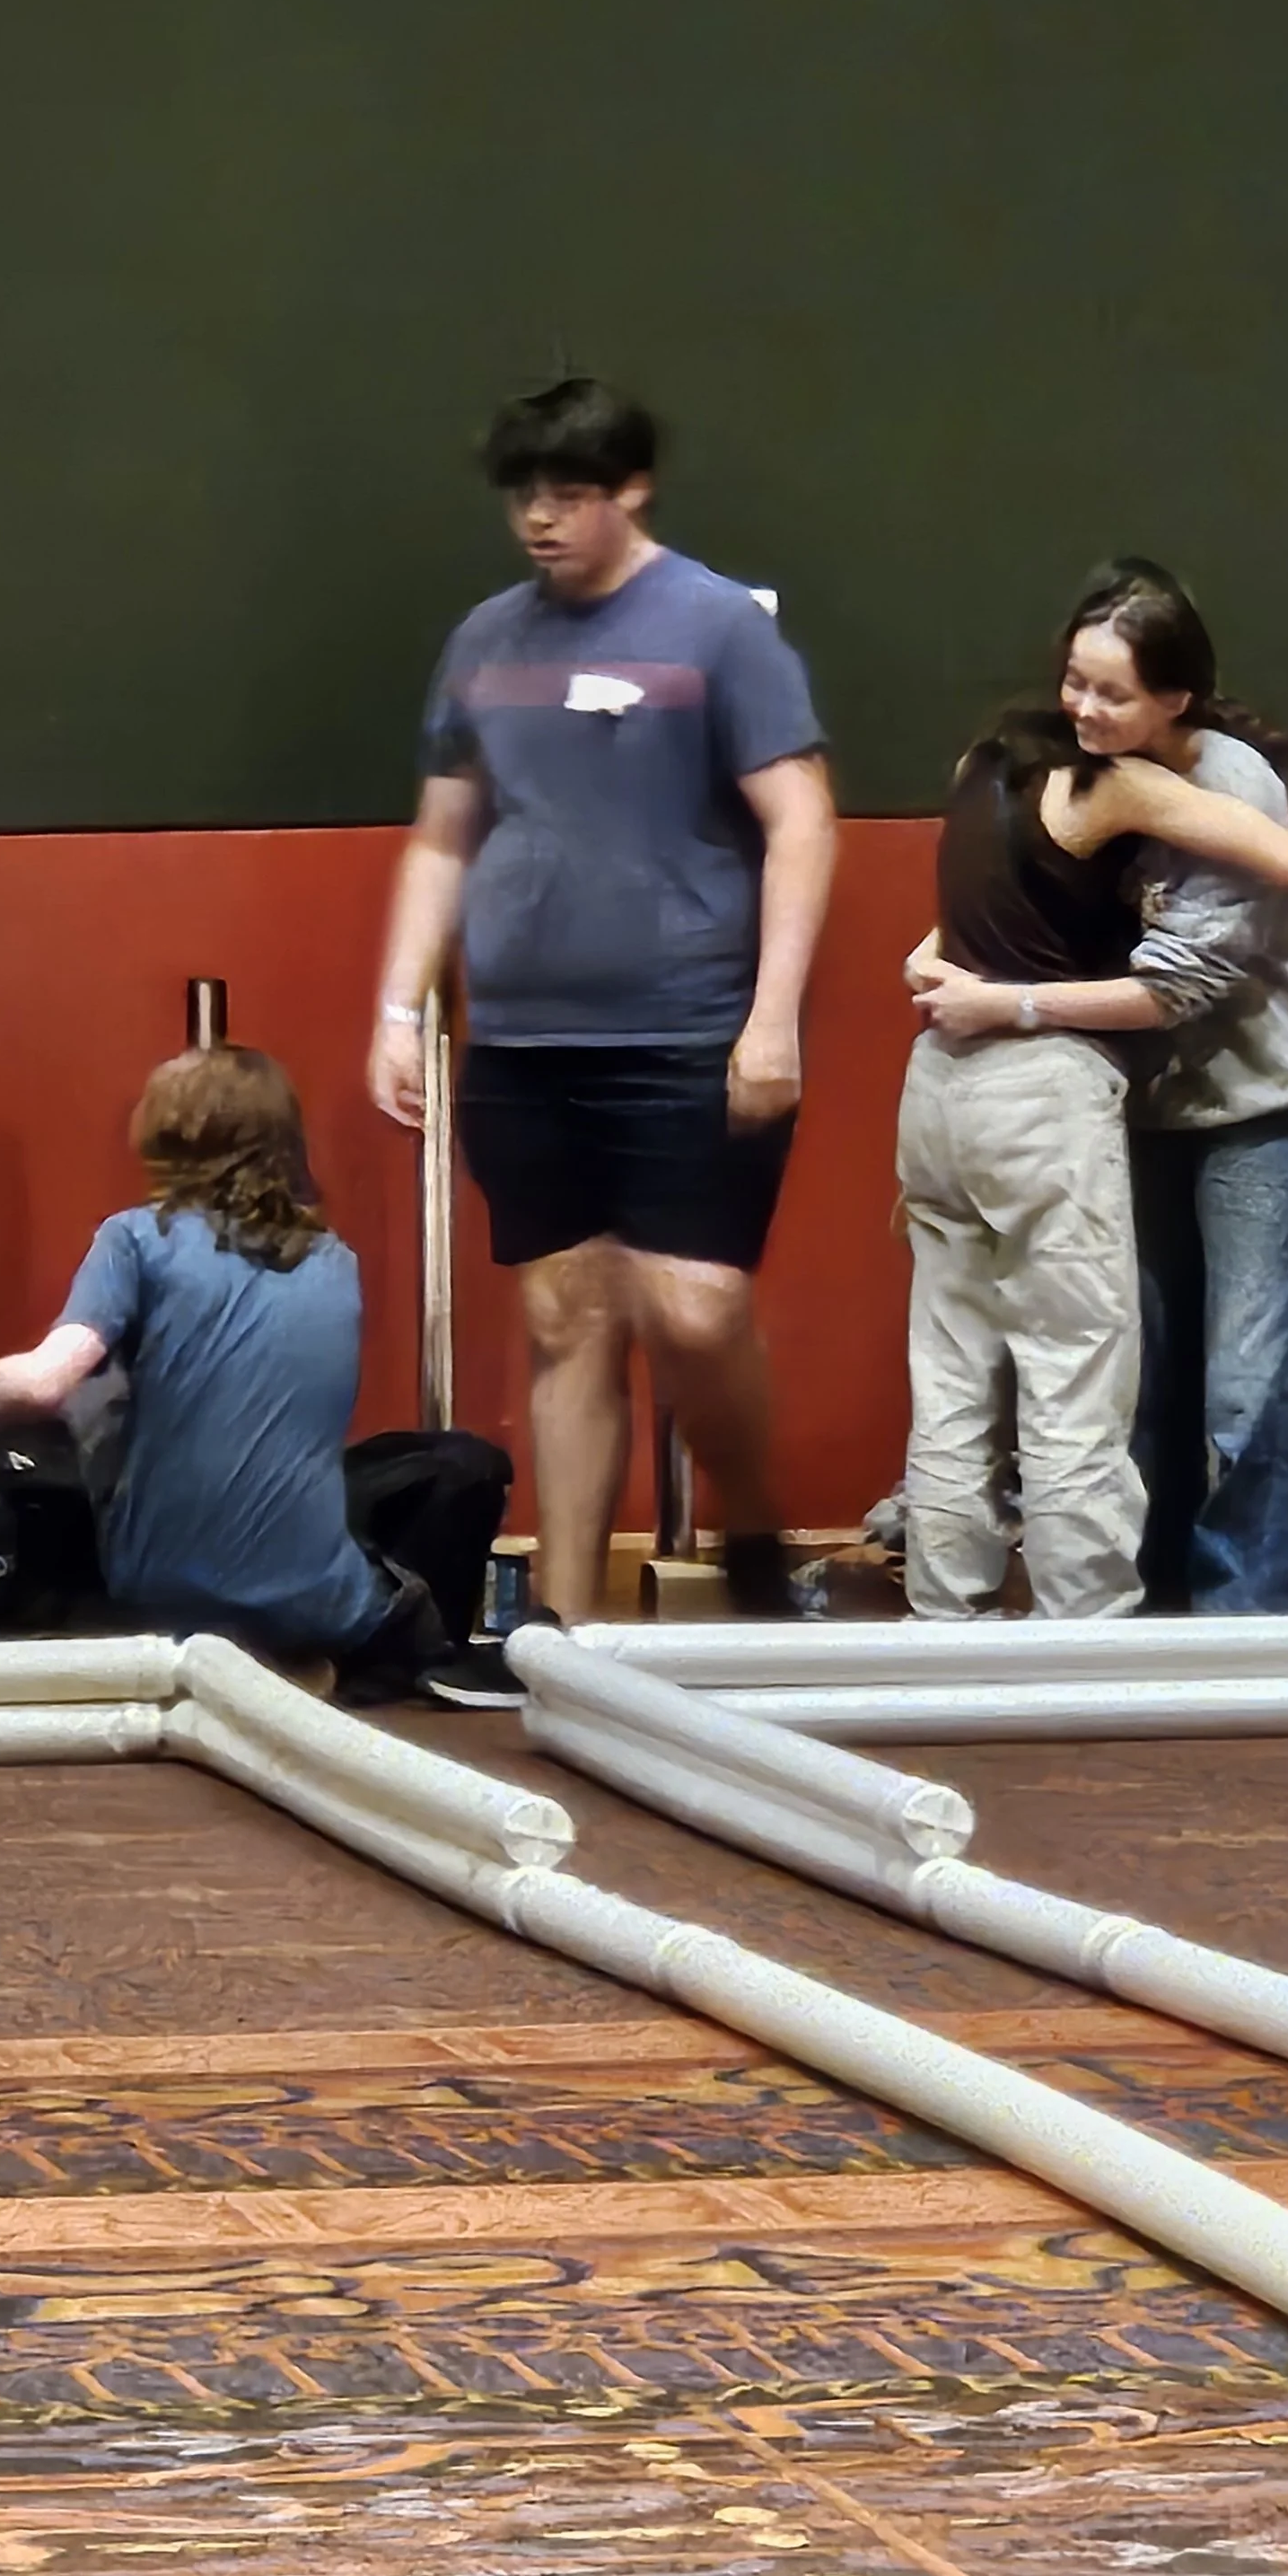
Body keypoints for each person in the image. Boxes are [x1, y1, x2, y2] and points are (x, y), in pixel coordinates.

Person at [370, 378, 838, 1649]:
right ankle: (563, 1637)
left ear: (630, 491)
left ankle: (749, 1525)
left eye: (568, 494)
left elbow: (801, 821)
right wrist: (399, 1009)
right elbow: (442, 839)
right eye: (524, 495)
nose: (540, 518)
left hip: (689, 1028)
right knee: (567, 1318)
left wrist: (773, 1018)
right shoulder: (484, 642)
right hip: (523, 1041)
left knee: (695, 1309)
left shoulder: (716, 629)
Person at [900, 600, 1288, 1616]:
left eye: (1110, 690)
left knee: (957, 1373)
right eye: (1078, 683)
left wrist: (958, 977)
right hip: (1040, 1086)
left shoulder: (985, 766)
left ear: (1173, 698)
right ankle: (1088, 1632)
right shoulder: (1113, 785)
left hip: (945, 1081)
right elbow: (1283, 862)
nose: (1086, 706)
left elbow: (943, 936)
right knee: (1075, 1377)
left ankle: (942, 1616)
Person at [0, 1045, 455, 1689]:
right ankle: (324, 1659)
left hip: (161, 1590)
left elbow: (44, 1382)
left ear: (173, 1129)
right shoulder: (335, 1259)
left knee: (48, 1407)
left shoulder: (135, 1238)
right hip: (321, 1603)